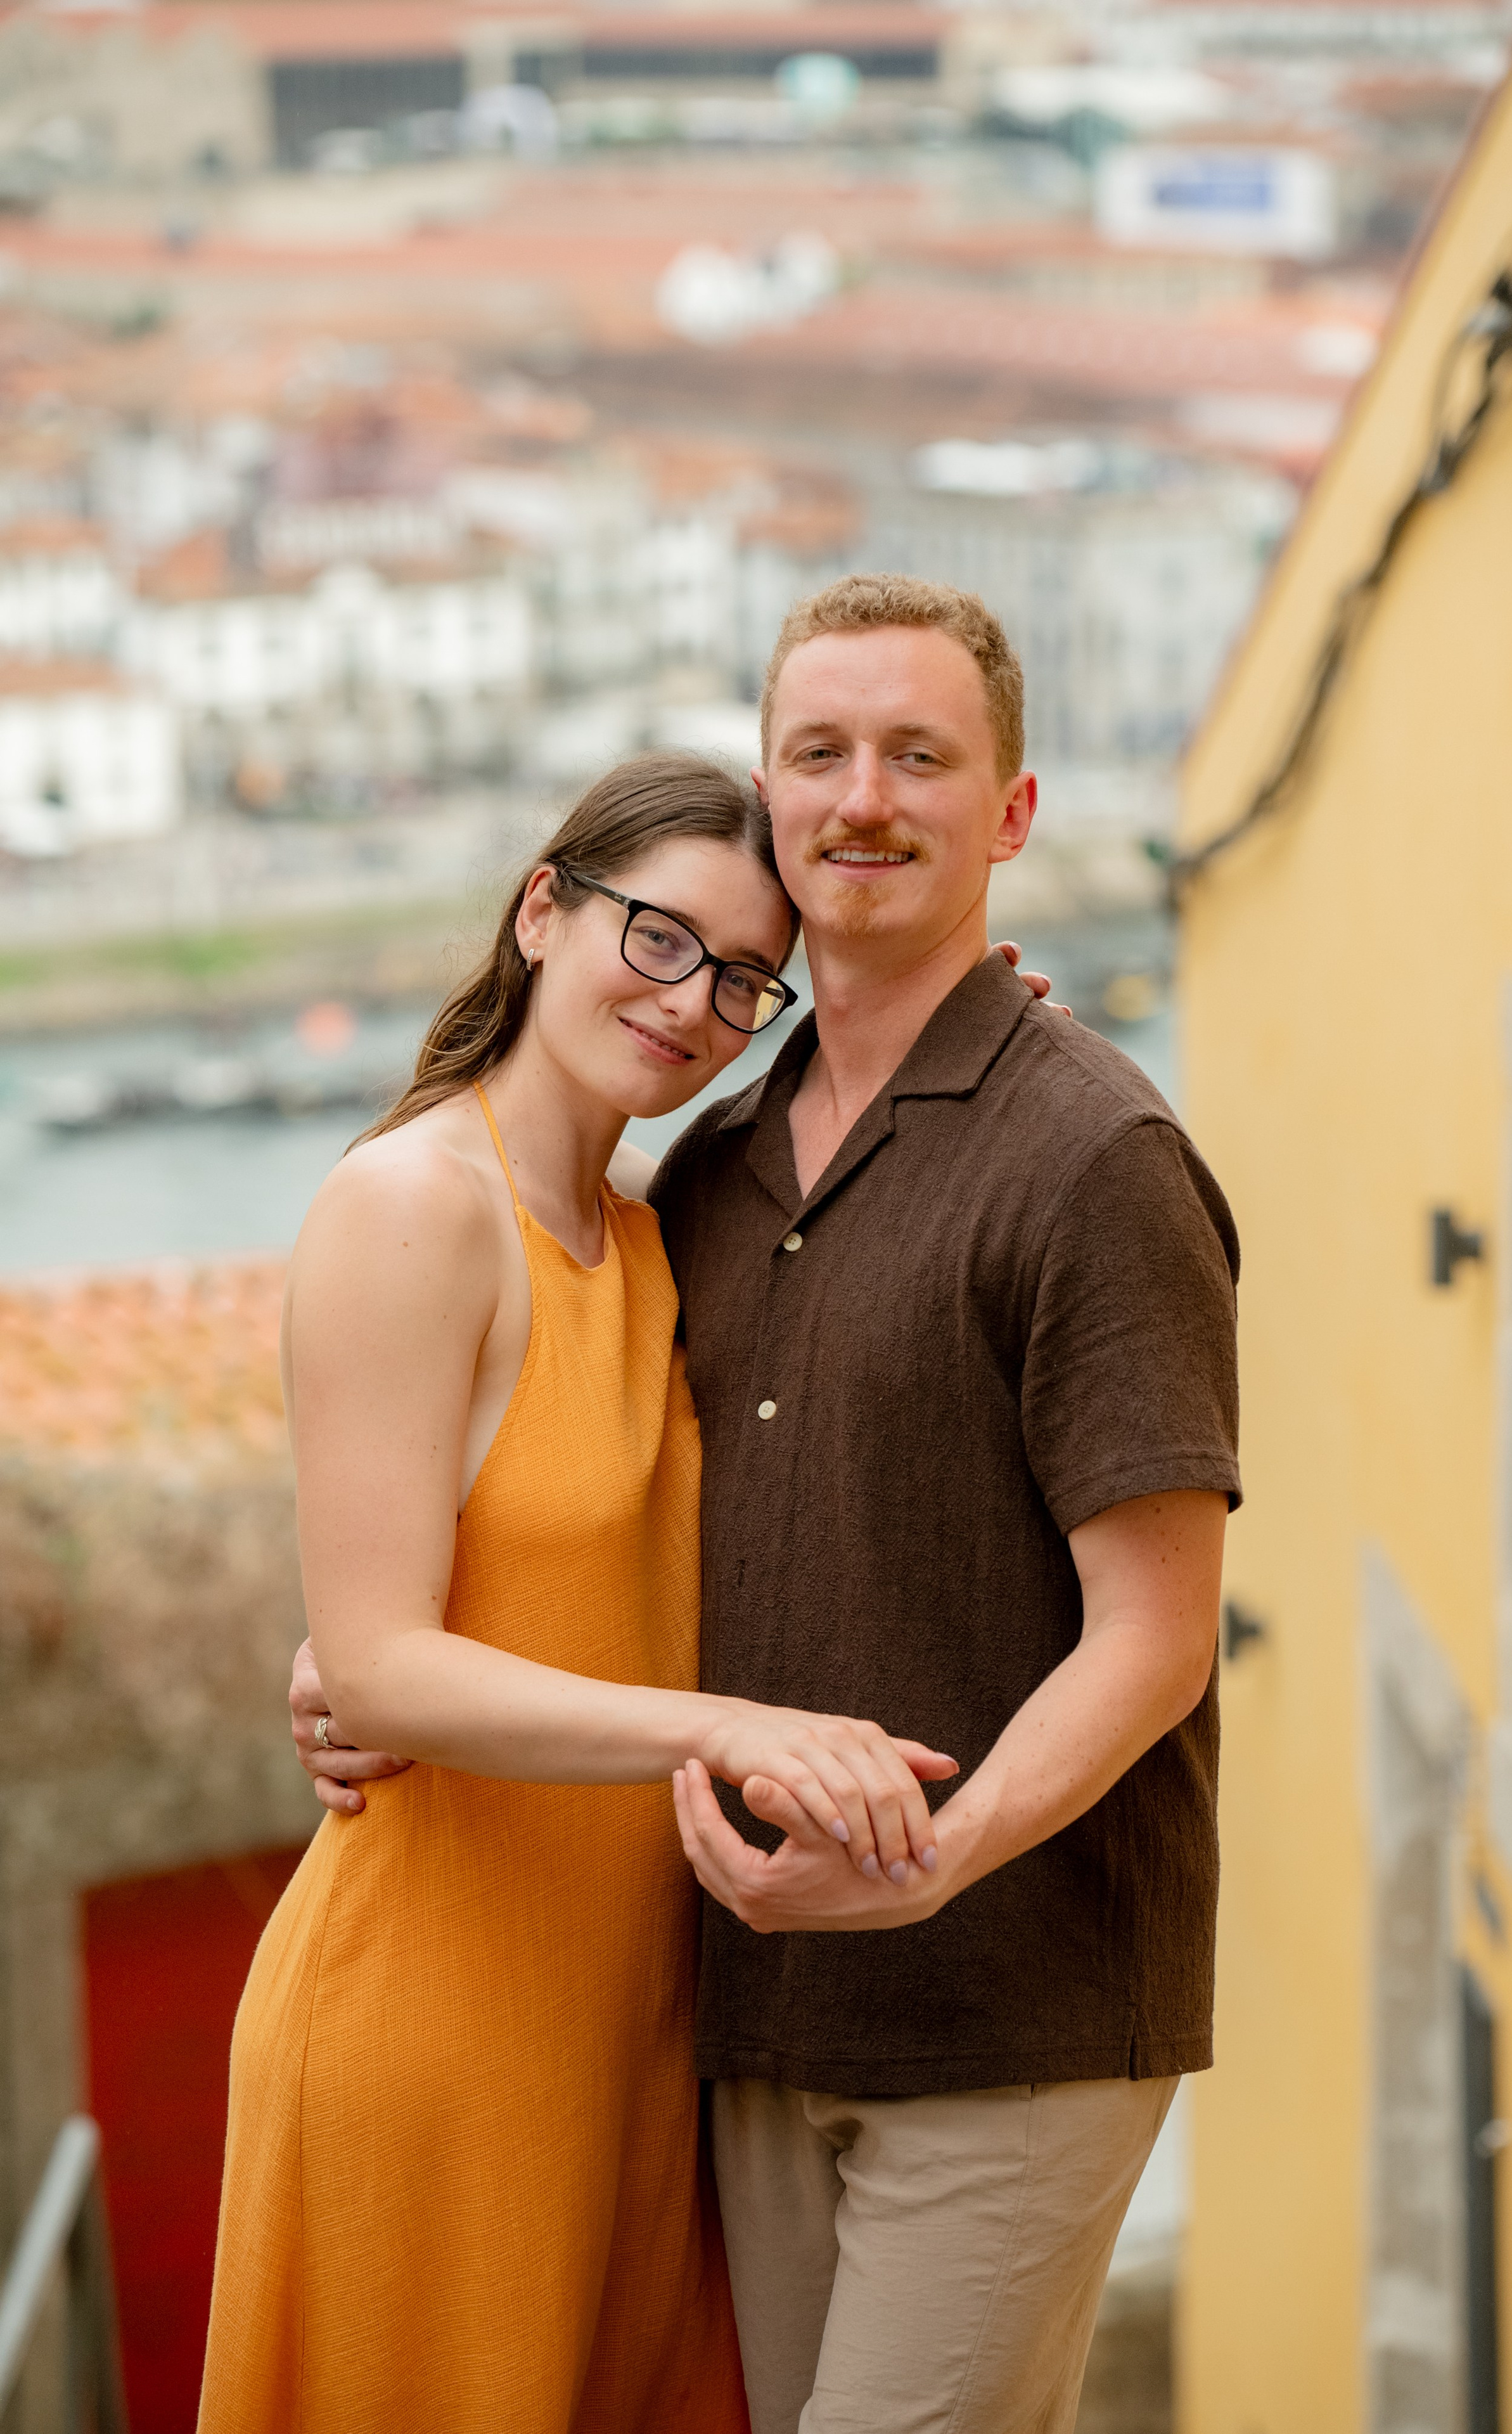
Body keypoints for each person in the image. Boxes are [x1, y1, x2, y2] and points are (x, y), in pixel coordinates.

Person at [295, 575, 1241, 2434]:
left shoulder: (1097, 1155)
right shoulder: (712, 1171)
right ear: (773, 790)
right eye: (820, 752)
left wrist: (929, 1861)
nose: (863, 796)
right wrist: (354, 1652)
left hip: (1011, 2013)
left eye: (919, 755)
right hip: (733, 2016)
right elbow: (568, 1489)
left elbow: (1160, 1635)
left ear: (1016, 812)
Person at [198, 753, 961, 2434]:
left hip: (627, 2036)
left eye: (747, 979)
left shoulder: (646, 1235)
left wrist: (968, 1028)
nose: (698, 1005)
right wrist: (745, 1729)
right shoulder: (410, 1208)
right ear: (544, 909)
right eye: (662, 938)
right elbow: (386, 1673)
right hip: (438, 2039)